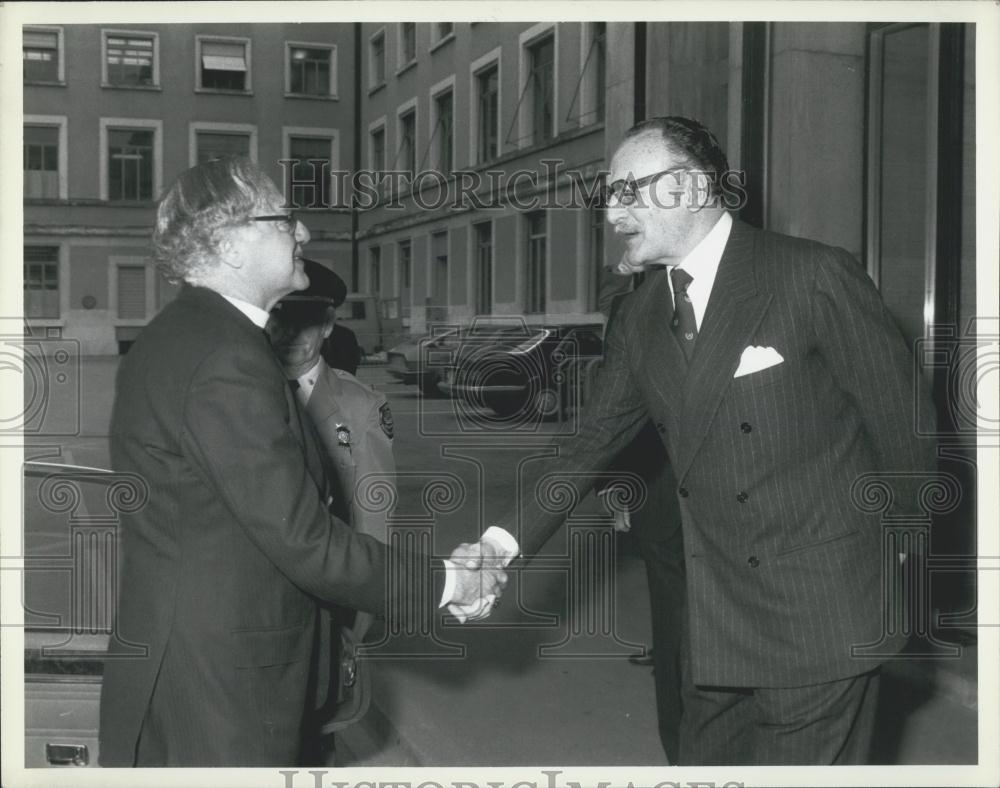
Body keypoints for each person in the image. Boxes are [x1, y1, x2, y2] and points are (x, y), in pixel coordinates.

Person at [473, 116, 937, 765]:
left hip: (822, 613)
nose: (612, 214)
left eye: (628, 191)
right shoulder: (640, 317)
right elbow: (587, 445)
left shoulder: (811, 276)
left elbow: (904, 429)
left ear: (689, 188)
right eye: (608, 197)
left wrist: (904, 568)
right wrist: (498, 546)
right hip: (713, 622)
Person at [98, 156, 509, 767]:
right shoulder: (224, 360)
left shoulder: (184, 337)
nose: (304, 233)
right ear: (231, 244)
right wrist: (449, 582)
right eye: (285, 218)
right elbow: (305, 540)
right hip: (221, 696)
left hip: (199, 671)